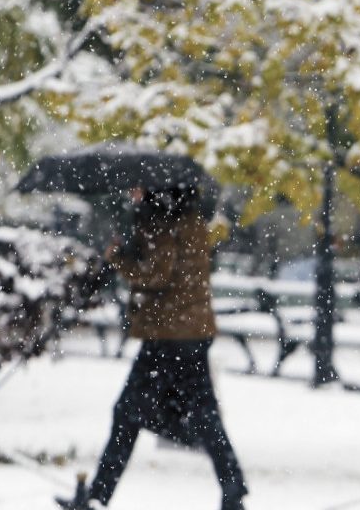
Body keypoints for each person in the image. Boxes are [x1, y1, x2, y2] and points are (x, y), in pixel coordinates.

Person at [59, 185, 246, 510]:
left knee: (129, 414)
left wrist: (119, 256)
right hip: (189, 332)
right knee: (201, 414)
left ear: (153, 191)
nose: (131, 194)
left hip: (168, 336)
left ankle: (98, 496)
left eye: (137, 189)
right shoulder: (188, 218)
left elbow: (157, 273)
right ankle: (232, 486)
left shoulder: (160, 221)